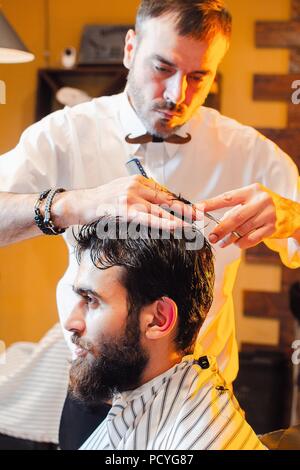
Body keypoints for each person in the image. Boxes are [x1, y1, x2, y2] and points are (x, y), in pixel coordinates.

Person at [0, 0, 299, 448]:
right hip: (96, 387)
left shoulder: (251, 154)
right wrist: (72, 204)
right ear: (129, 48)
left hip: (197, 402)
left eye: (200, 76)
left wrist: (292, 219)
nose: (178, 93)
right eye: (163, 67)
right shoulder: (64, 134)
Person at [65, 215, 265, 450]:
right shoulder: (149, 396)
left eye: (91, 299)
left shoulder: (196, 439)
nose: (71, 322)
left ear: (159, 319)